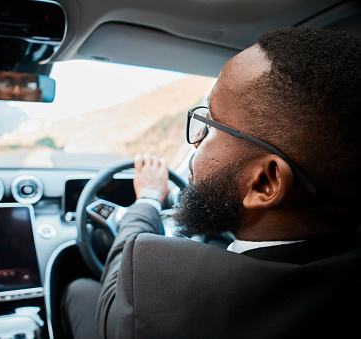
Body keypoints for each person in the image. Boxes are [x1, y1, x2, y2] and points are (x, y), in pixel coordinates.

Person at [62, 27, 361, 338]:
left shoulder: (161, 298)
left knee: (78, 290)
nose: (196, 142)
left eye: (210, 125)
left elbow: (113, 301)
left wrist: (147, 200)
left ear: (264, 183)